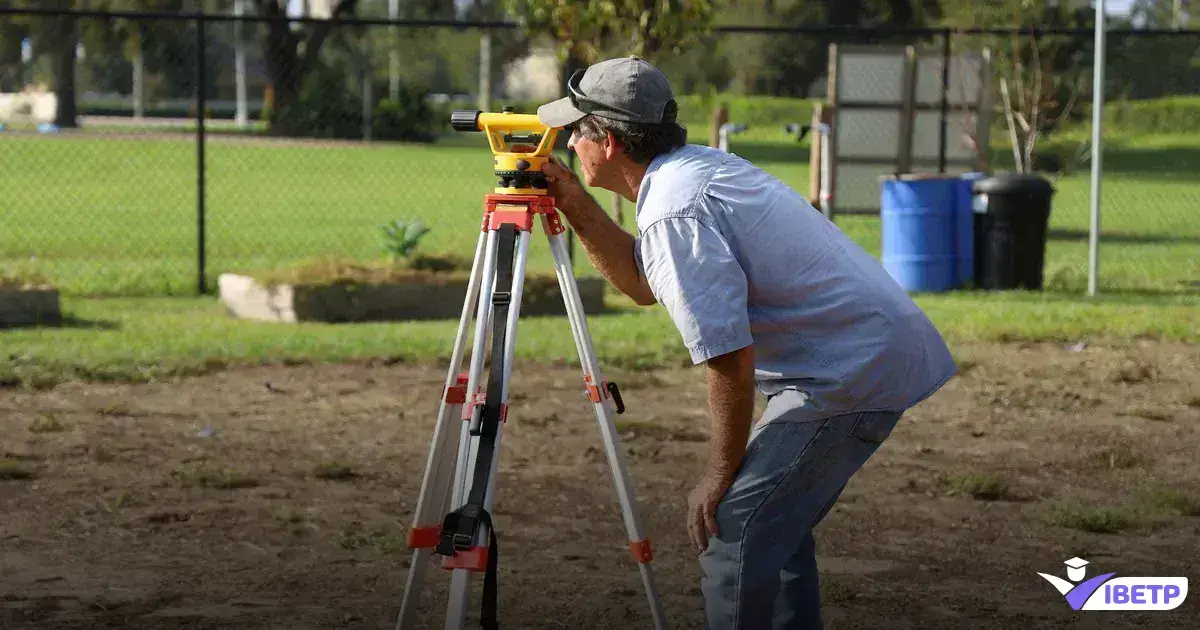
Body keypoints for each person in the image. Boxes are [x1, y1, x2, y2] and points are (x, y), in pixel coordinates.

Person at [535, 56, 957, 629]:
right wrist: (573, 203)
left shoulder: (675, 208)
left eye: (573, 133)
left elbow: (729, 357)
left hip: (847, 371)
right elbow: (640, 282)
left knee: (732, 529)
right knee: (773, 529)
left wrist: (717, 473)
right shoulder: (691, 171)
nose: (566, 145)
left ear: (606, 142)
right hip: (863, 354)